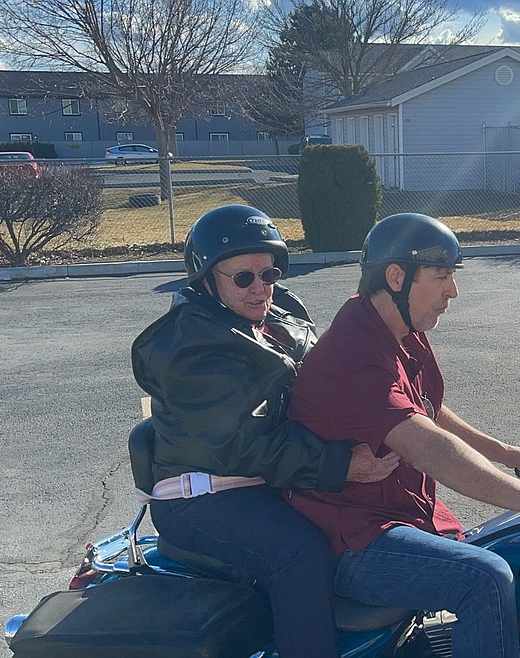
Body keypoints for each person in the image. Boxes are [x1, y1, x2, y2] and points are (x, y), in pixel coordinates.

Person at [286, 212, 520, 658]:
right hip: (357, 540)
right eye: (442, 276)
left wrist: (510, 453)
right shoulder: (354, 355)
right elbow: (426, 445)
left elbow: (427, 407)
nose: (453, 291)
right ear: (395, 276)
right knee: (484, 578)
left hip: (404, 515)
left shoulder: (396, 327)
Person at [130, 204, 399, 658]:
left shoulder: (276, 316)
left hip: (265, 480)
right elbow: (243, 443)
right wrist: (342, 464)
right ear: (207, 278)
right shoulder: (191, 344)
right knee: (300, 555)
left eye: (269, 274)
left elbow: (332, 375)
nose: (261, 288)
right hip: (205, 496)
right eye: (243, 278)